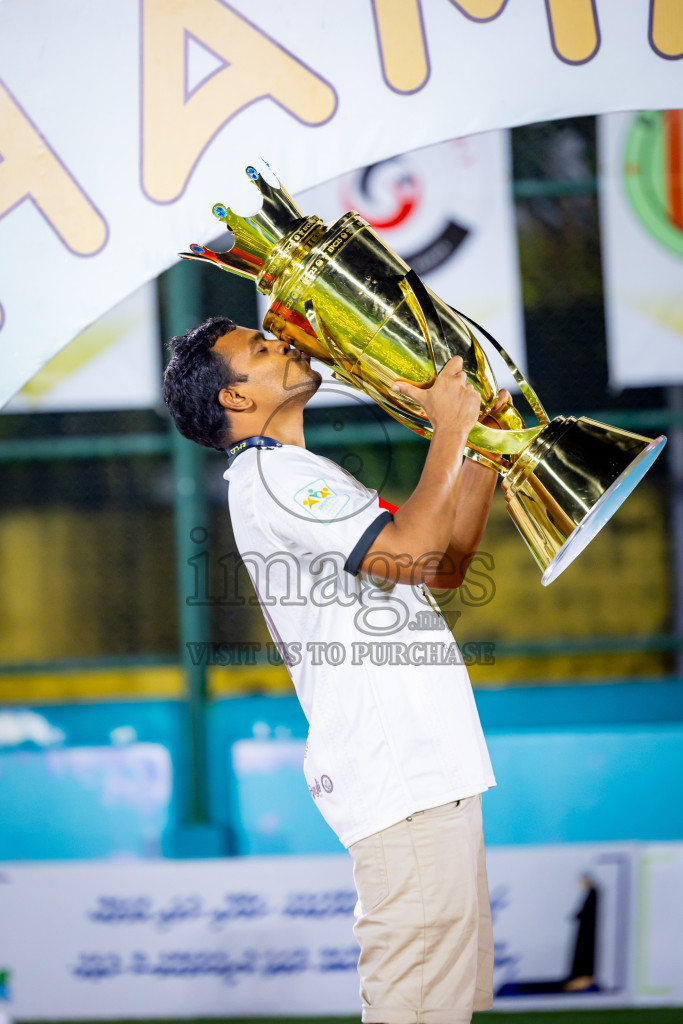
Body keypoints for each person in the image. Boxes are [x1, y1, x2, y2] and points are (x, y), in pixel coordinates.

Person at [163, 314, 509, 1024]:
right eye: (261, 349)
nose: (285, 344)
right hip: (399, 773)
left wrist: (480, 449)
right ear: (234, 398)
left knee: (441, 1007)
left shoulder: (297, 474)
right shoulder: (276, 475)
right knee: (416, 1010)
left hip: (426, 769)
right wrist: (446, 425)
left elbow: (439, 567)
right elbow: (413, 550)